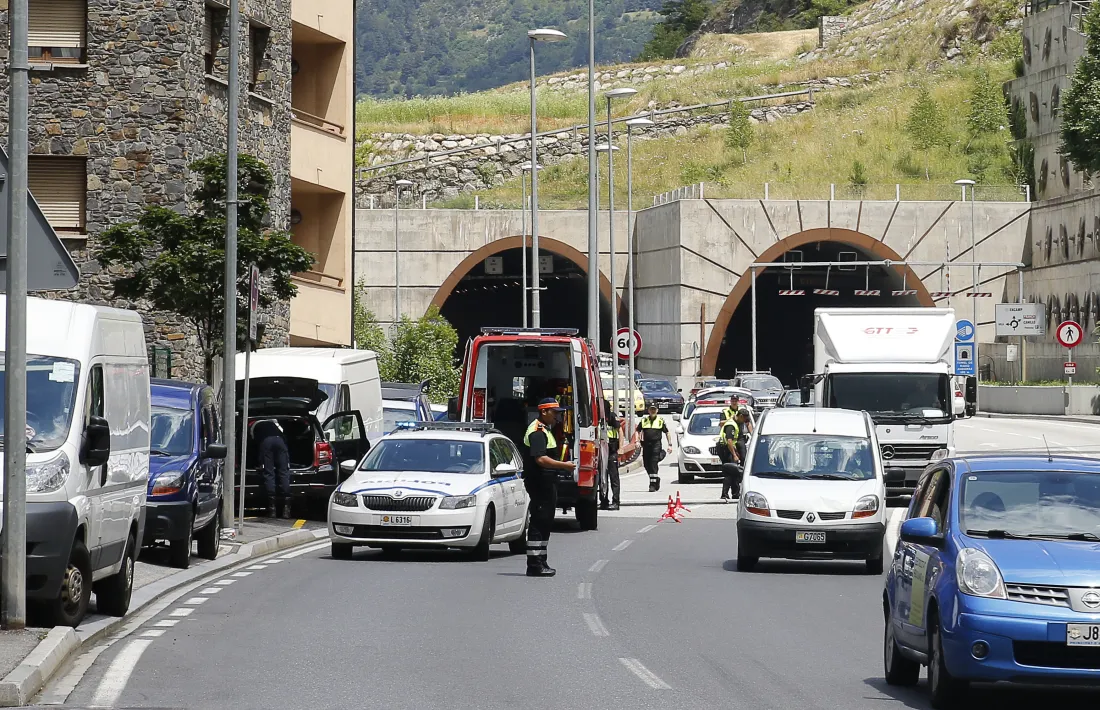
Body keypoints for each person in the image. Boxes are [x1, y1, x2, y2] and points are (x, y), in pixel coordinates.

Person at [522, 398, 576, 578]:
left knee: (546, 521)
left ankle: (541, 560)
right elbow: (540, 459)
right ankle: (535, 565)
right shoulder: (537, 432)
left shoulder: (545, 429)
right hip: (539, 482)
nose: (558, 417)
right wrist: (564, 465)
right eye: (556, 413)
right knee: (539, 521)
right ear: (544, 412)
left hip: (546, 482)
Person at [253, 418, 291, 519]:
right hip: (280, 441)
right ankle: (286, 509)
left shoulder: (254, 425)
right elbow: (285, 438)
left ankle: (272, 509)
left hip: (266, 442)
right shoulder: (275, 425)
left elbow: (256, 445)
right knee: (284, 472)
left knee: (269, 473)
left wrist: (260, 463)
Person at [636, 404, 672, 492]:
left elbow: (667, 432)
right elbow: (638, 430)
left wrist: (670, 444)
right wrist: (637, 441)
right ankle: (656, 479)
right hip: (646, 445)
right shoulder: (644, 420)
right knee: (646, 464)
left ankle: (652, 484)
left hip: (656, 444)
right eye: (651, 409)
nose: (652, 411)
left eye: (654, 410)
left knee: (653, 463)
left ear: (657, 411)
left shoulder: (660, 421)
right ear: (648, 410)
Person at [718, 410, 744, 502]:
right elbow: (729, 441)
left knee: (733, 471)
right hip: (726, 449)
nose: (744, 421)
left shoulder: (733, 423)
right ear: (740, 416)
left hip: (727, 448)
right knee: (731, 471)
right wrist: (734, 454)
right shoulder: (731, 425)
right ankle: (726, 494)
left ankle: (734, 493)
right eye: (744, 418)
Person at [600, 399, 621, 511]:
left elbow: (620, 431)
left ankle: (616, 502)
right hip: (602, 450)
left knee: (613, 477)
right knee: (602, 478)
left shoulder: (612, 417)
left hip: (612, 450)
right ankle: (604, 501)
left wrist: (621, 448)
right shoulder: (598, 418)